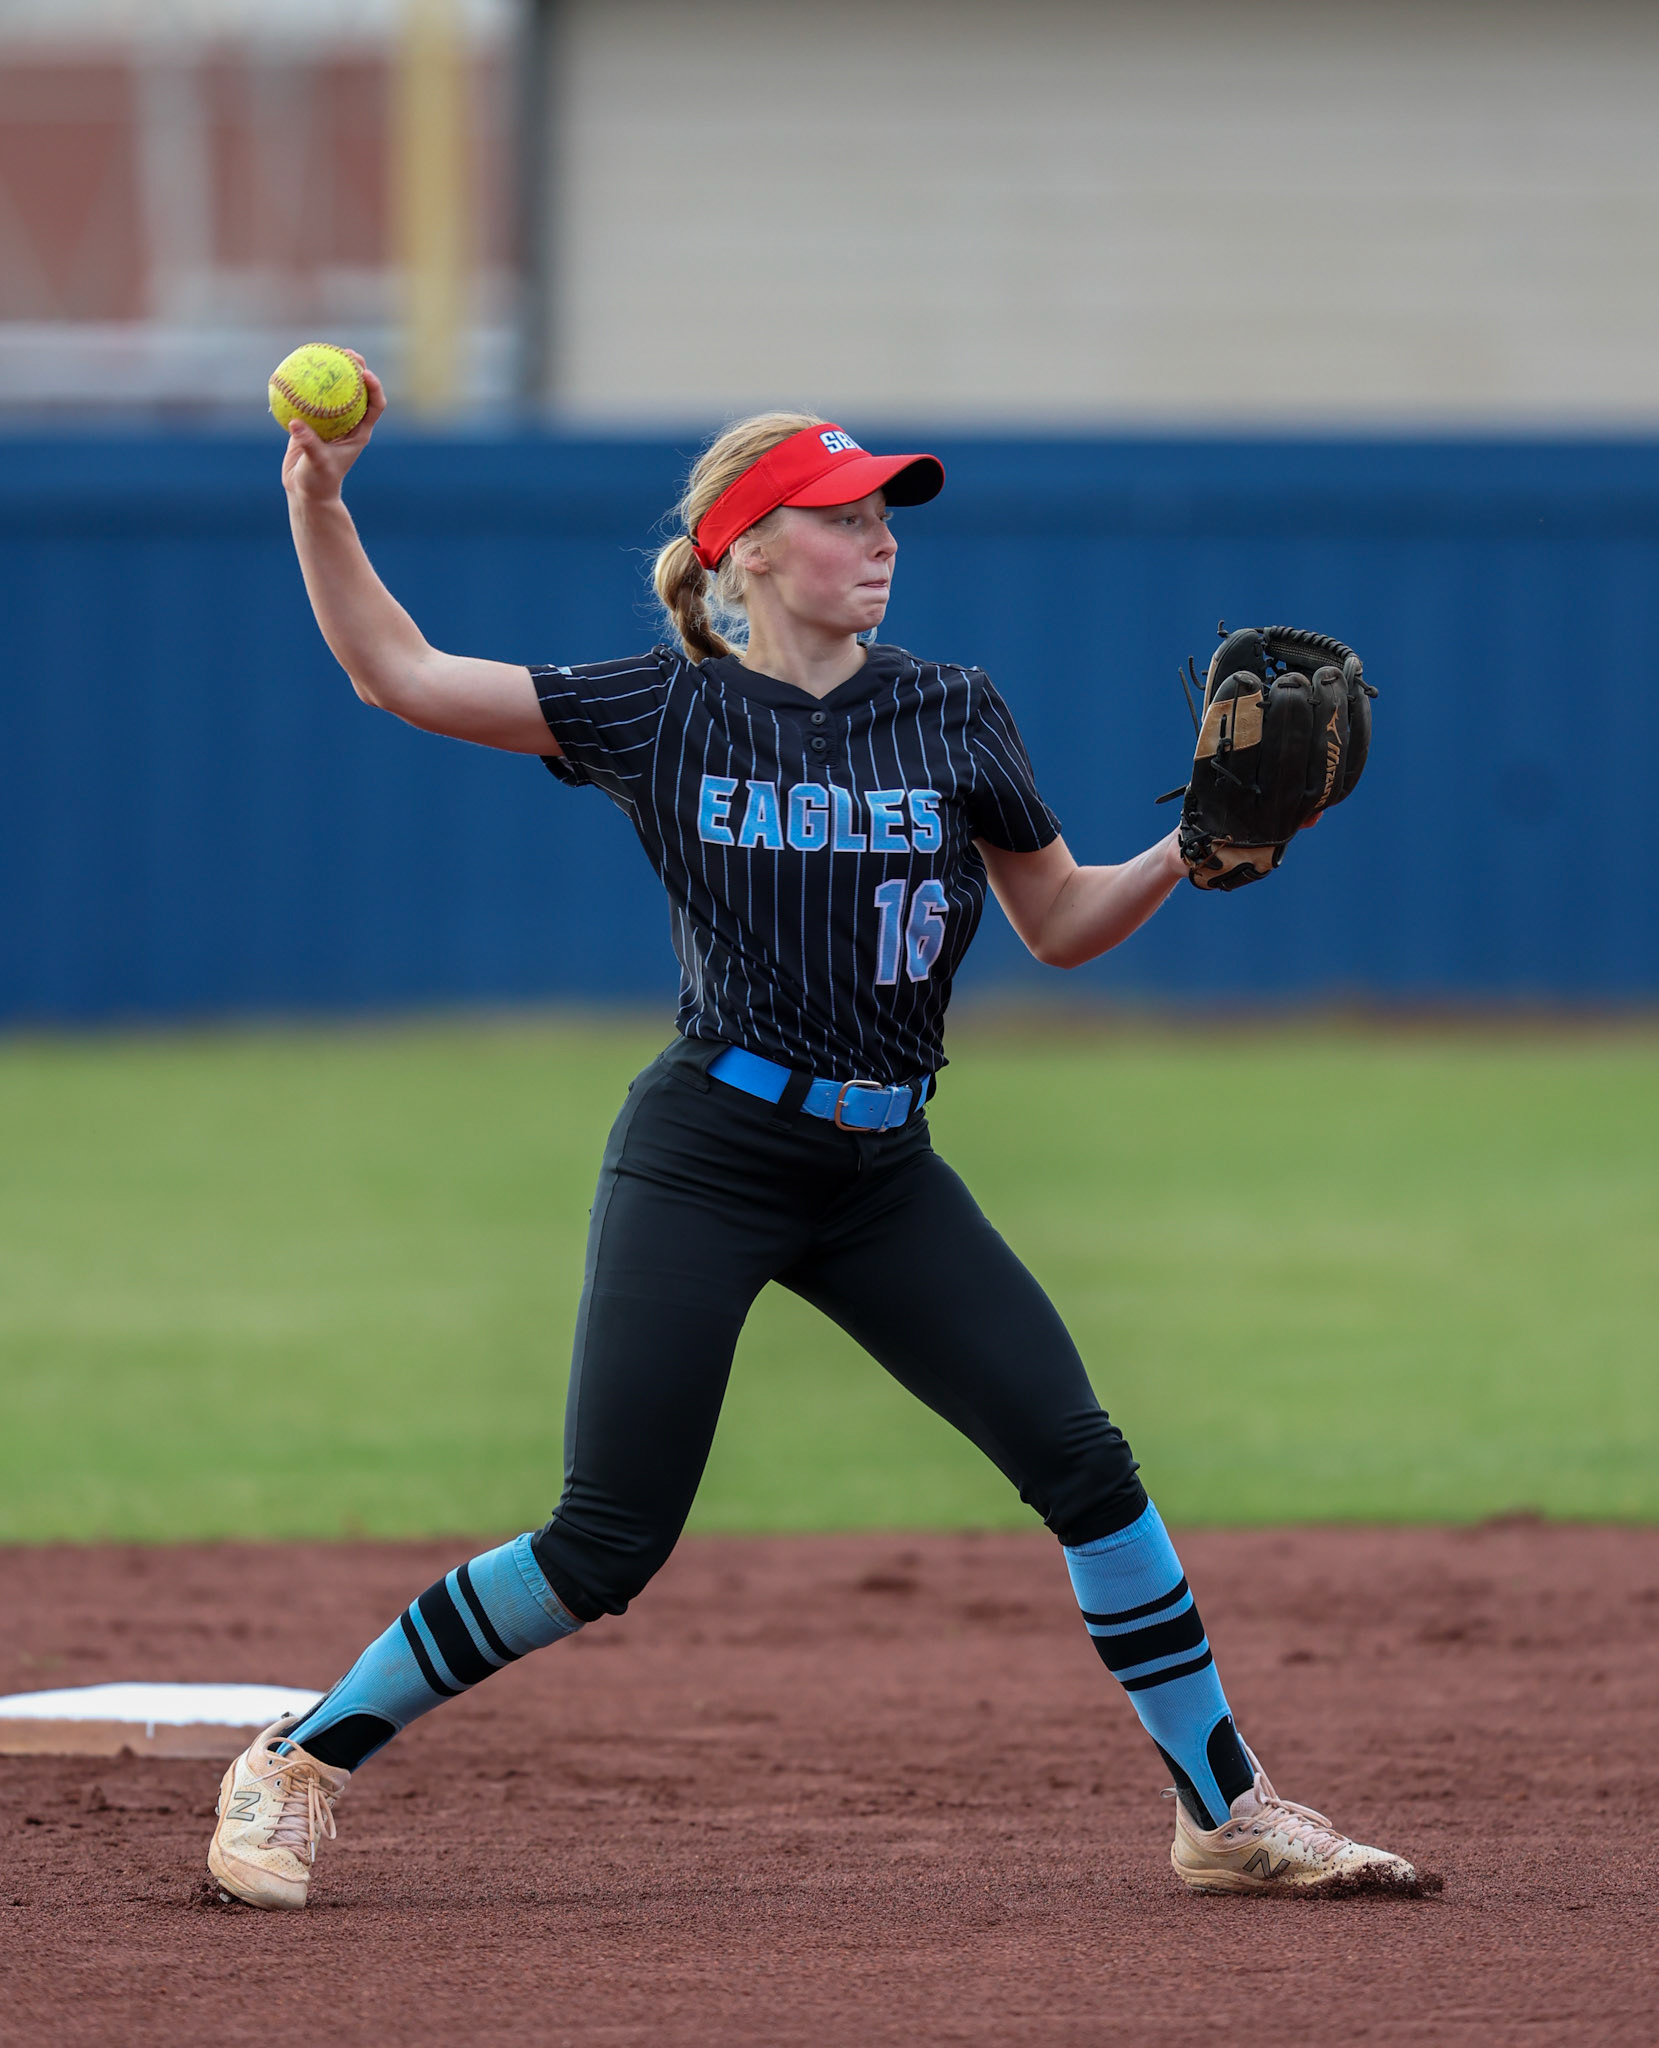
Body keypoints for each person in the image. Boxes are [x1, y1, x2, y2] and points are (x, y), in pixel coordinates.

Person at [206, 362, 1420, 1909]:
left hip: (881, 1170)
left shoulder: (952, 708)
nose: (878, 535)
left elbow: (1056, 922)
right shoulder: (663, 707)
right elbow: (399, 670)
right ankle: (299, 1760)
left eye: (884, 511)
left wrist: (1187, 850)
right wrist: (318, 498)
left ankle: (1224, 1808)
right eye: (839, 514)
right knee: (604, 1545)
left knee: (1086, 1467)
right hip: (712, 1149)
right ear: (747, 552)